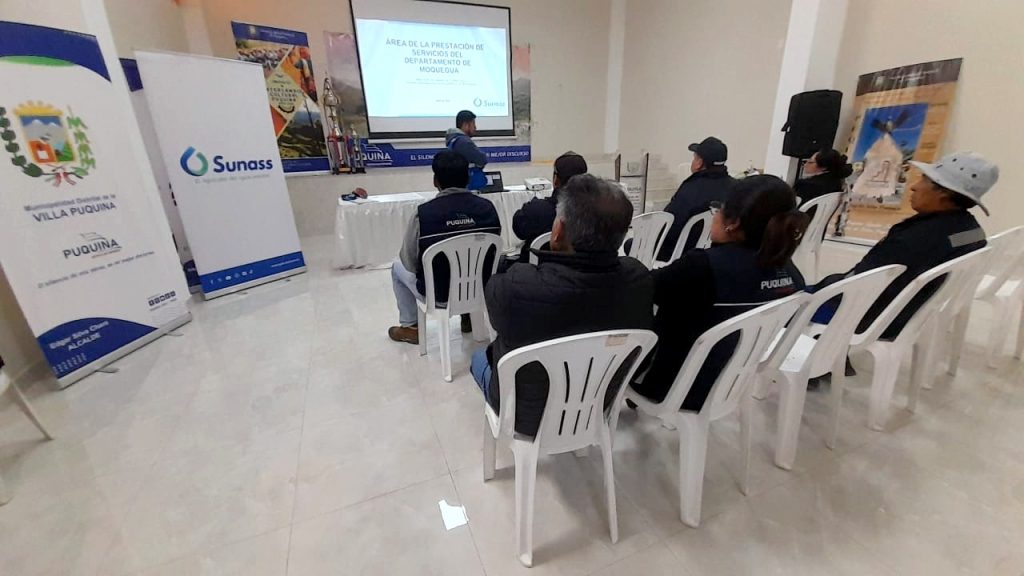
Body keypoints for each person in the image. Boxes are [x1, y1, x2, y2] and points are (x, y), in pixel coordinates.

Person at [471, 174, 654, 436]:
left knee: (479, 357)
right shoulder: (639, 280)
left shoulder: (517, 286)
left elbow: (494, 309)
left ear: (557, 231)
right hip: (597, 406)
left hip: (525, 416)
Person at [630, 174, 808, 411]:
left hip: (673, 387)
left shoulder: (702, 267)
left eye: (718, 209)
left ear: (732, 222)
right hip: (732, 384)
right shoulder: (790, 274)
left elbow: (640, 289)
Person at [813, 151, 998, 340]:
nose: (914, 187)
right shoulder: (972, 231)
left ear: (944, 193)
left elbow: (860, 284)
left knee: (796, 300)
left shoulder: (913, 238)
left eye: (924, 180)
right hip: (908, 315)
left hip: (866, 319)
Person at [388, 150, 502, 345]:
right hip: (480, 289)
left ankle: (410, 327)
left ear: (435, 181)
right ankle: (468, 315)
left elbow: (409, 262)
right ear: (467, 178)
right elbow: (494, 252)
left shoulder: (423, 214)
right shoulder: (488, 208)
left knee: (397, 268)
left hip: (438, 294)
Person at [658, 136, 736, 262]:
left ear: (699, 163)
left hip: (683, 253)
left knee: (631, 244)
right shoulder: (736, 187)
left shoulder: (690, 188)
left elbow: (670, 225)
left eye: (695, 158)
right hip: (718, 253)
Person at [510, 151, 589, 262]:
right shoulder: (596, 214)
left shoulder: (535, 211)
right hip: (582, 270)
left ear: (556, 179)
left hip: (537, 270)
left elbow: (519, 231)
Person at [446, 110, 489, 190]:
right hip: (470, 186)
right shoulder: (463, 142)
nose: (475, 127)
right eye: (473, 124)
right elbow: (482, 159)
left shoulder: (453, 140)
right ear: (466, 125)